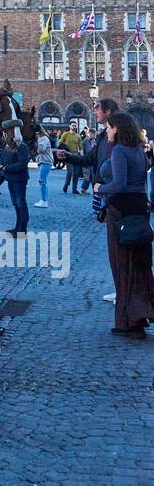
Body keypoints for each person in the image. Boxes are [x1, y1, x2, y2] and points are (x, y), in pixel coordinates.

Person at [96, 112, 154, 339]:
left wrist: (100, 188)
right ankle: (139, 315)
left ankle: (128, 321)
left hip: (121, 212)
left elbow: (119, 183)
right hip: (139, 211)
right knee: (139, 265)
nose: (107, 131)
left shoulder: (119, 150)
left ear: (117, 129)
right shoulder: (139, 151)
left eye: (109, 127)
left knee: (122, 266)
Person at [0, 119, 30, 235]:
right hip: (11, 178)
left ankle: (22, 229)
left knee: (21, 202)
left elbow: (22, 164)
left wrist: (6, 168)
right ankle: (17, 227)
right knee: (16, 203)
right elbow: (2, 156)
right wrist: (1, 163)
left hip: (19, 179)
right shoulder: (8, 145)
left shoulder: (22, 147)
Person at [58, 121, 83, 194]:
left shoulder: (78, 136)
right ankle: (66, 184)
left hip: (76, 156)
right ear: (70, 126)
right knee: (70, 172)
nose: (74, 127)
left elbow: (80, 148)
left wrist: (82, 157)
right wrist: (61, 146)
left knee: (76, 173)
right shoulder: (65, 134)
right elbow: (59, 142)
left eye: (75, 126)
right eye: (73, 125)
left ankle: (74, 189)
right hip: (67, 155)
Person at [33, 126, 53, 208]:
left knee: (41, 180)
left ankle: (44, 200)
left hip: (46, 161)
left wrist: (36, 146)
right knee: (43, 180)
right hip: (44, 161)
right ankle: (43, 200)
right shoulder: (43, 138)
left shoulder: (43, 138)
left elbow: (42, 149)